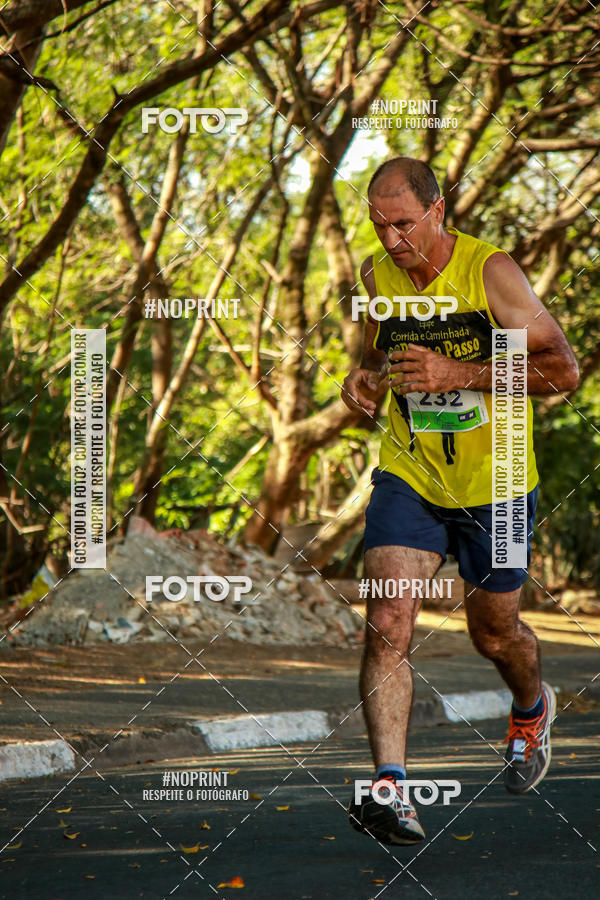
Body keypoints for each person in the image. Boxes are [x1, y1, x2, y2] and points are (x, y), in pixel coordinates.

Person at [341, 157, 579, 845]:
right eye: (379, 226)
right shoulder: (375, 275)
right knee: (388, 613)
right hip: (411, 474)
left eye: (404, 224)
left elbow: (562, 369)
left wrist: (462, 372)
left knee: (494, 634)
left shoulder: (491, 273)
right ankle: (391, 790)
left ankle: (532, 707)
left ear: (439, 210)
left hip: (498, 483)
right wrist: (366, 382)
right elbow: (377, 356)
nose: (391, 241)